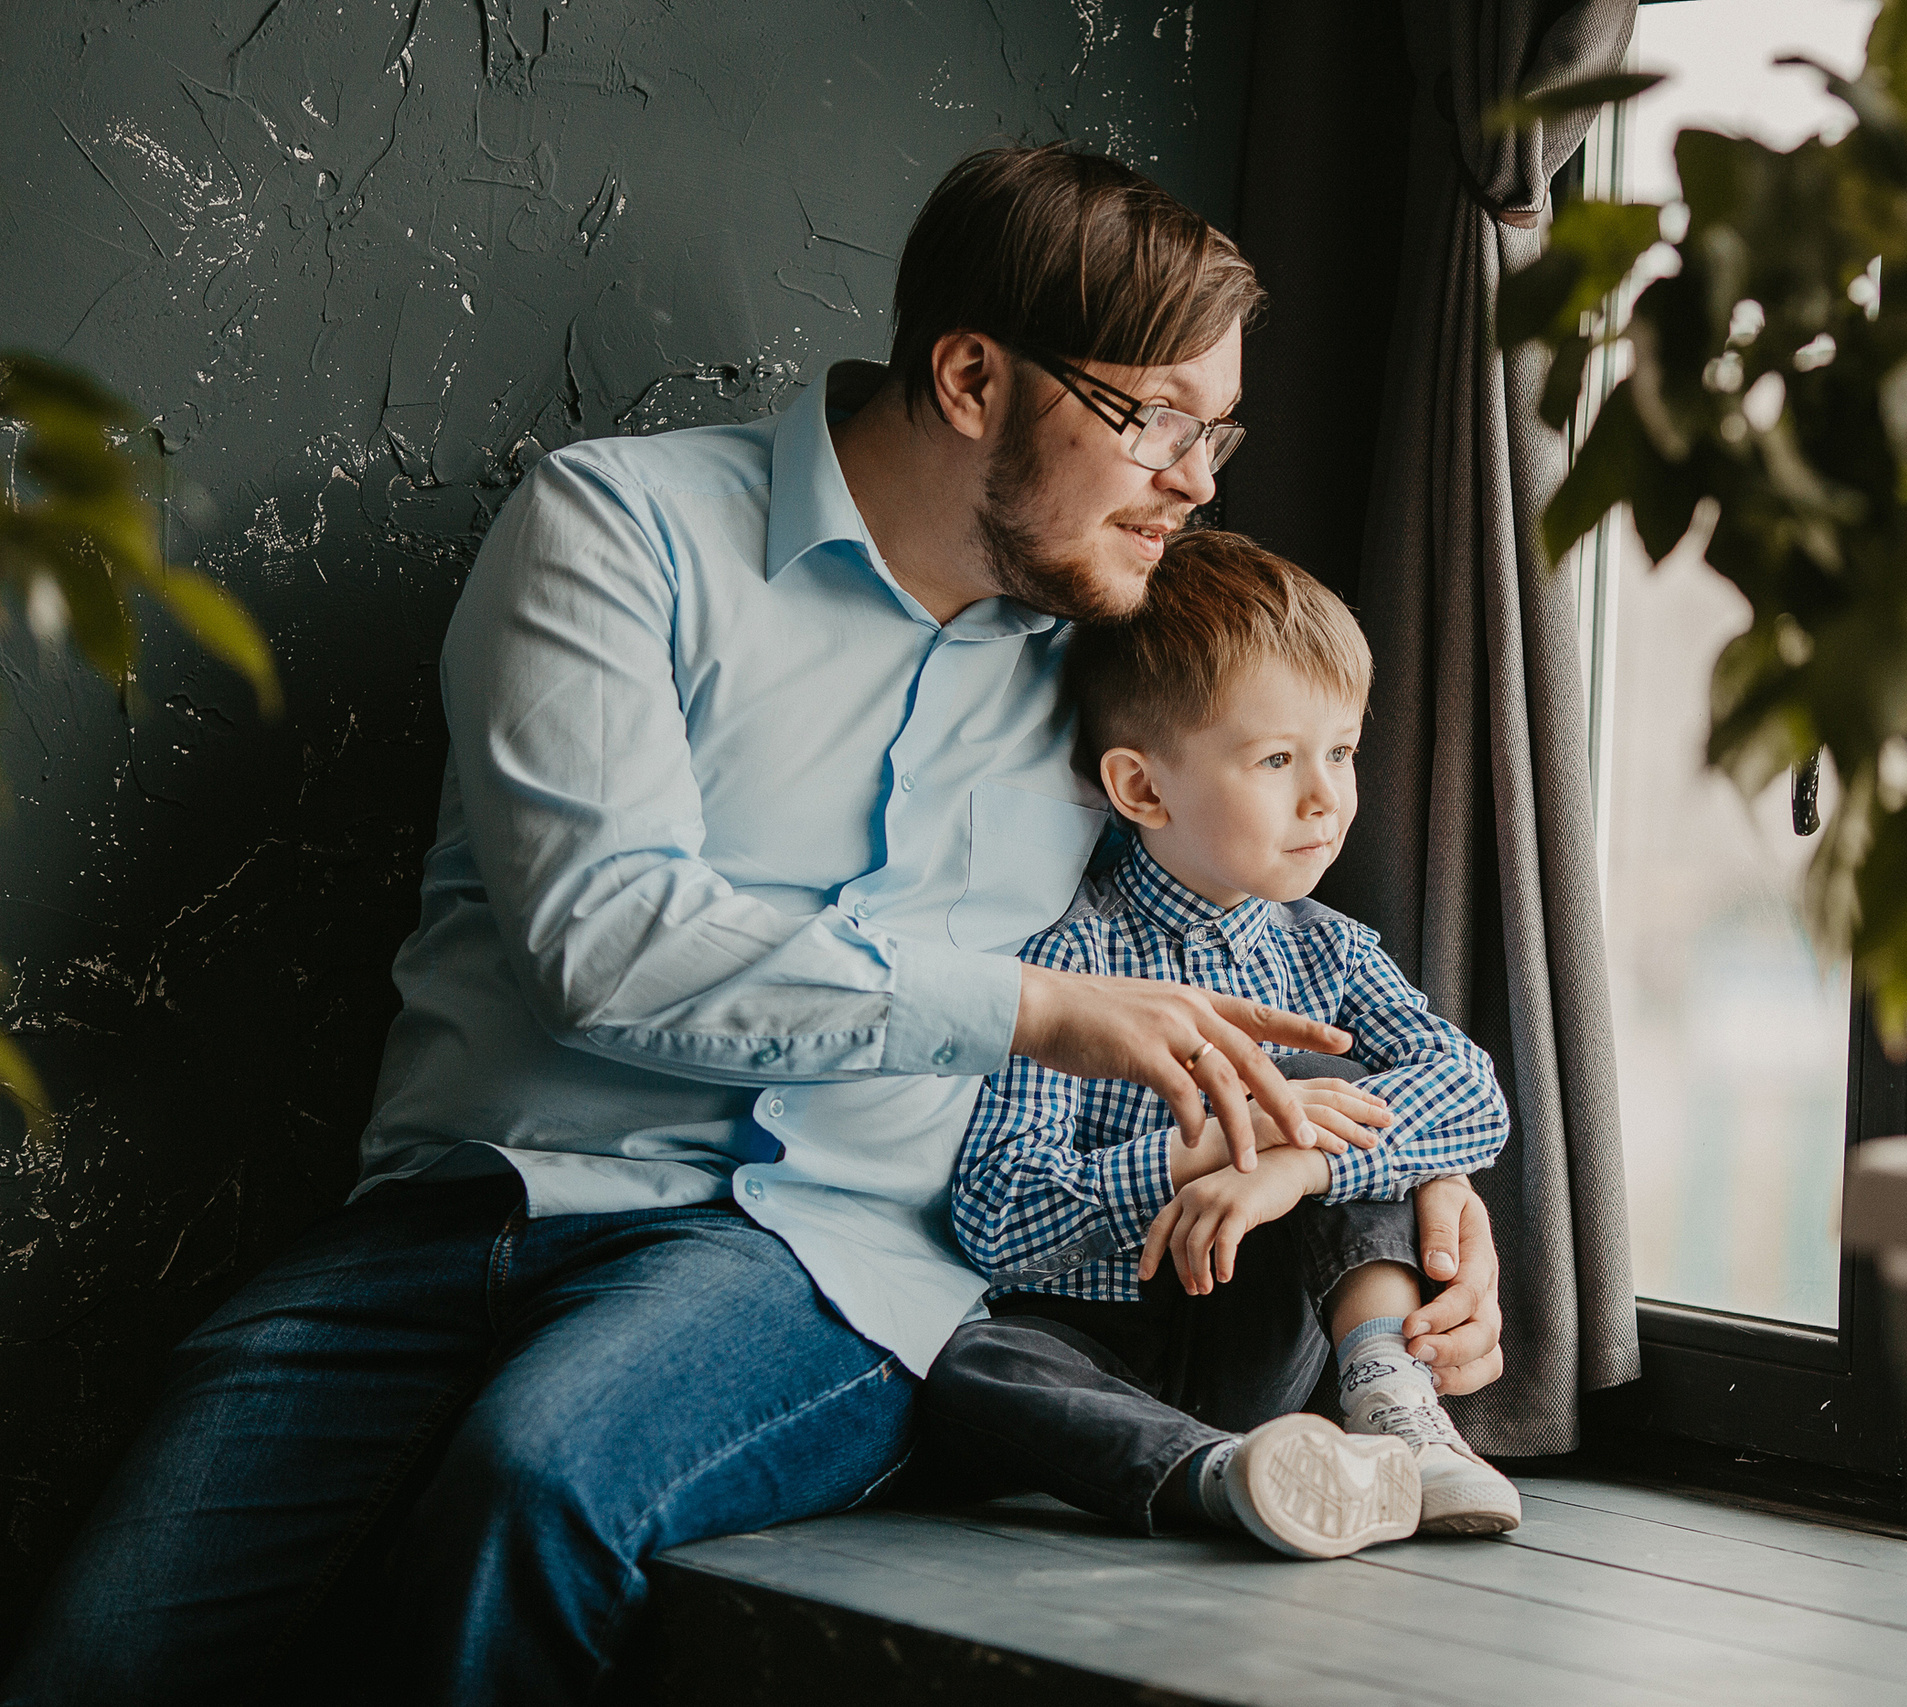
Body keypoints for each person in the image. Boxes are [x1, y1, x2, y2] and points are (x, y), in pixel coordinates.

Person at [2, 145, 1504, 1707]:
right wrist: (1029, 1008)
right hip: (459, 1213)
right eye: (1156, 418)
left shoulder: (1118, 648)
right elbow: (606, 943)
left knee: (539, 1475)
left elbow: (1261, 890)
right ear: (973, 378)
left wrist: (1397, 1176)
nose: (1197, 478)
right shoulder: (619, 529)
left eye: (1218, 428)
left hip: (819, 1261)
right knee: (104, 1647)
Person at [928, 530, 1522, 1559]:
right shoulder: (1073, 960)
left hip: (1265, 1333)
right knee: (965, 1366)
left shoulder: (1331, 952)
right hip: (1096, 1337)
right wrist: (1205, 1149)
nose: (1325, 796)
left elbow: (1472, 1093)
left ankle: (1391, 1401)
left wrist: (1293, 1163)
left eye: (1341, 752)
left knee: (1329, 1090)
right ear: (1143, 789)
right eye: (1277, 760)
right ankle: (1230, 1476)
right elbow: (997, 1212)